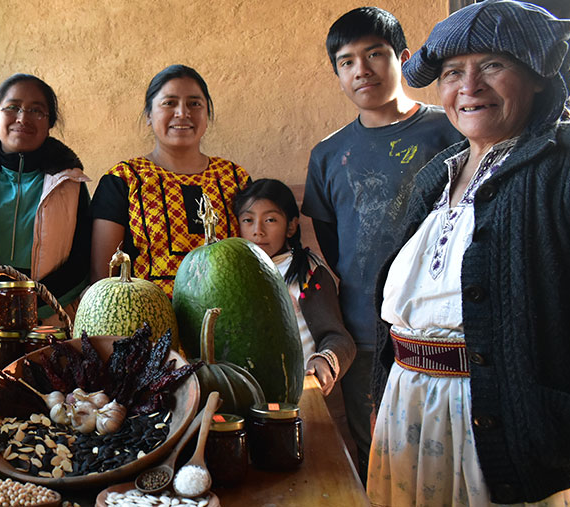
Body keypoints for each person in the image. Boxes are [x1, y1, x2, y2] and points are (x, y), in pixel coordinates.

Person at [368, 1, 570, 504]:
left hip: (502, 429)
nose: (469, 86)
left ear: (537, 79)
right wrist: (381, 390)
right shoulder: (436, 175)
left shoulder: (564, 167)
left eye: (493, 65)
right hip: (409, 413)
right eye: (452, 72)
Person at [300, 7, 464, 477]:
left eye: (374, 54)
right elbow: (332, 241)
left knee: (447, 455)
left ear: (404, 59)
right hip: (365, 330)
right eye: (347, 61)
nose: (361, 70)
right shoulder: (328, 155)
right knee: (377, 451)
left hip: (445, 333)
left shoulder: (450, 130)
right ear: (337, 74)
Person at [0, 74, 90, 329]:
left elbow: (82, 260)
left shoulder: (70, 184)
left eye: (37, 110)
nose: (23, 118)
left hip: (47, 321)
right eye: (12, 107)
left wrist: (35, 302)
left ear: (50, 123)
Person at [90, 64, 252, 297]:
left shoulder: (235, 178)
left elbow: (255, 260)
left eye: (195, 104)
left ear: (208, 115)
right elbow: (103, 278)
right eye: (169, 103)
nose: (182, 113)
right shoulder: (124, 179)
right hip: (145, 324)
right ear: (149, 115)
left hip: (229, 320)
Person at [232, 179, 356, 397]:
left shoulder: (305, 270)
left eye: (270, 220)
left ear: (291, 226)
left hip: (303, 392)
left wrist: (324, 360)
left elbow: (337, 337)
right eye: (248, 220)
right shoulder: (234, 270)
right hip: (249, 395)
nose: (257, 231)